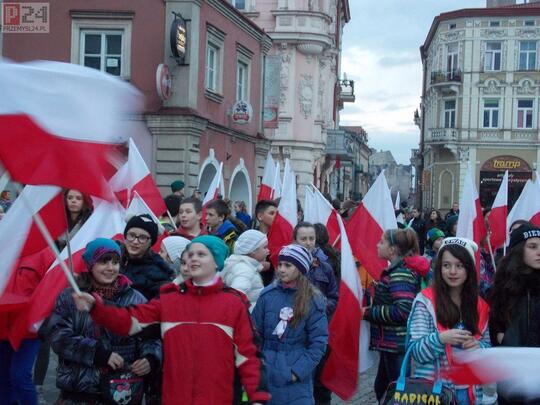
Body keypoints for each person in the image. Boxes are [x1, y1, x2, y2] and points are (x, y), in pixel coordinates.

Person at [72, 236, 270, 405]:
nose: (193, 259)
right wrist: (96, 307)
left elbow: (249, 357)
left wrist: (257, 397)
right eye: (189, 254)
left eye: (201, 254)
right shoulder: (169, 301)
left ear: (216, 262)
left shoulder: (233, 304)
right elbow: (129, 321)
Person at [49, 238, 162, 404]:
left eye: (115, 262)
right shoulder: (71, 297)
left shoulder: (136, 298)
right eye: (104, 261)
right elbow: (58, 337)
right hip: (79, 392)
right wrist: (96, 353)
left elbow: (151, 337)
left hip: (123, 391)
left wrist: (150, 358)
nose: (111, 268)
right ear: (91, 264)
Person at [408, 237, 490, 404]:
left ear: (469, 269)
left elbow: (487, 350)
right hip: (433, 392)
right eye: (447, 265)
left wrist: (479, 347)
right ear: (439, 268)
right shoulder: (425, 301)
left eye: (459, 266)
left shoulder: (480, 305)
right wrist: (441, 339)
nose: (452, 271)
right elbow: (416, 352)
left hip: (470, 393)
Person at [251, 244, 328, 405]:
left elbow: (318, 343)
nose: (281, 269)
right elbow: (253, 333)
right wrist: (257, 364)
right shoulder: (267, 295)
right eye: (279, 264)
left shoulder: (313, 300)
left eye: (288, 265)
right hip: (265, 371)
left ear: (300, 269)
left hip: (295, 379)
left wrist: (296, 372)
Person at [363, 228, 424, 401]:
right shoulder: (397, 270)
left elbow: (403, 312)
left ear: (393, 249)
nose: (377, 245)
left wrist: (368, 313)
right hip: (390, 343)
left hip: (396, 343)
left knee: (397, 392)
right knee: (382, 387)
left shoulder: (400, 274)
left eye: (382, 242)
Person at [489, 224, 540, 404]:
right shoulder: (503, 287)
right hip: (514, 379)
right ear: (519, 250)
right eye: (532, 246)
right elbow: (494, 326)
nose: (539, 252)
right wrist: (503, 338)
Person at [0, 248, 55, 405]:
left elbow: (54, 287)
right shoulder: (6, 242)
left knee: (19, 376)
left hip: (28, 331)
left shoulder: (45, 252)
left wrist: (45, 321)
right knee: (3, 379)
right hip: (2, 328)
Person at [121, 214, 174, 300]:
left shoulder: (159, 271)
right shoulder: (111, 256)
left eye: (142, 237)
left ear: (151, 242)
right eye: (132, 235)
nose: (135, 241)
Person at [221, 230, 268, 311]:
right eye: (265, 247)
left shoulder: (245, 265)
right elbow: (235, 297)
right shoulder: (244, 270)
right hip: (247, 318)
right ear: (253, 250)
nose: (268, 251)